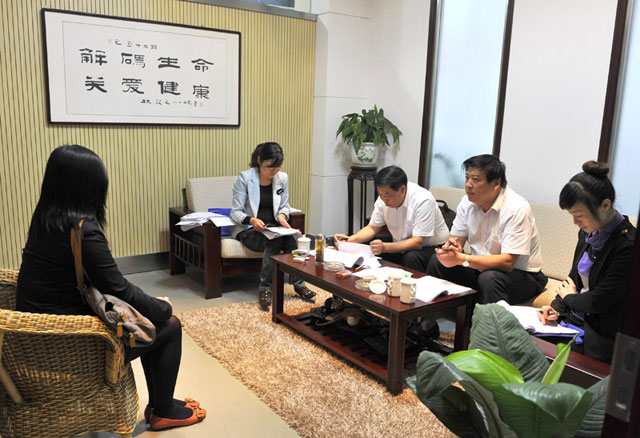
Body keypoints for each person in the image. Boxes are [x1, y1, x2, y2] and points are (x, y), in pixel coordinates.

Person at [16, 145, 206, 431]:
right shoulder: (82, 230)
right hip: (75, 345)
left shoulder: (45, 220)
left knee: (151, 319)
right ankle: (164, 410)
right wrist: (162, 307)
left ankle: (160, 403)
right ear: (89, 188)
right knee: (169, 325)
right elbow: (118, 288)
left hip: (37, 339)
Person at [538, 161, 635, 363]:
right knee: (522, 339)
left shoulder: (627, 245)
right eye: (572, 216)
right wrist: (556, 308)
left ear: (605, 205)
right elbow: (573, 279)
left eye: (579, 216)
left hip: (600, 333)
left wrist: (568, 298)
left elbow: (599, 301)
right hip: (574, 317)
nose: (575, 223)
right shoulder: (587, 234)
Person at [427, 154, 547, 304]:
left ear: (496, 183)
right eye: (467, 178)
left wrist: (463, 259)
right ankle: (430, 318)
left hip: (522, 275)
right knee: (438, 261)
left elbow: (508, 262)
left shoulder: (516, 208)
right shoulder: (467, 202)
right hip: (481, 268)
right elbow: (456, 240)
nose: (468, 185)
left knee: (489, 279)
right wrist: (450, 249)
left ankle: (485, 320)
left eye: (475, 179)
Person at [230, 142, 315, 311]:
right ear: (259, 160)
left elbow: (284, 206)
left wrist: (283, 216)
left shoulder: (282, 178)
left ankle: (299, 284)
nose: (274, 171)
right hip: (249, 229)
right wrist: (252, 220)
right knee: (274, 243)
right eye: (270, 167)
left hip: (273, 228)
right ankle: (265, 289)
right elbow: (235, 212)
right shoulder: (245, 178)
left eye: (277, 167)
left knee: (292, 242)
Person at [335, 165, 449, 272]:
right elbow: (372, 228)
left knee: (411, 256)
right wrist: (348, 240)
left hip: (432, 247)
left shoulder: (423, 200)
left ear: (402, 189)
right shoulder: (383, 198)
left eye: (387, 195)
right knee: (369, 246)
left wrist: (384, 247)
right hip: (401, 243)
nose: (384, 200)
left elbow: (417, 242)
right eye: (380, 194)